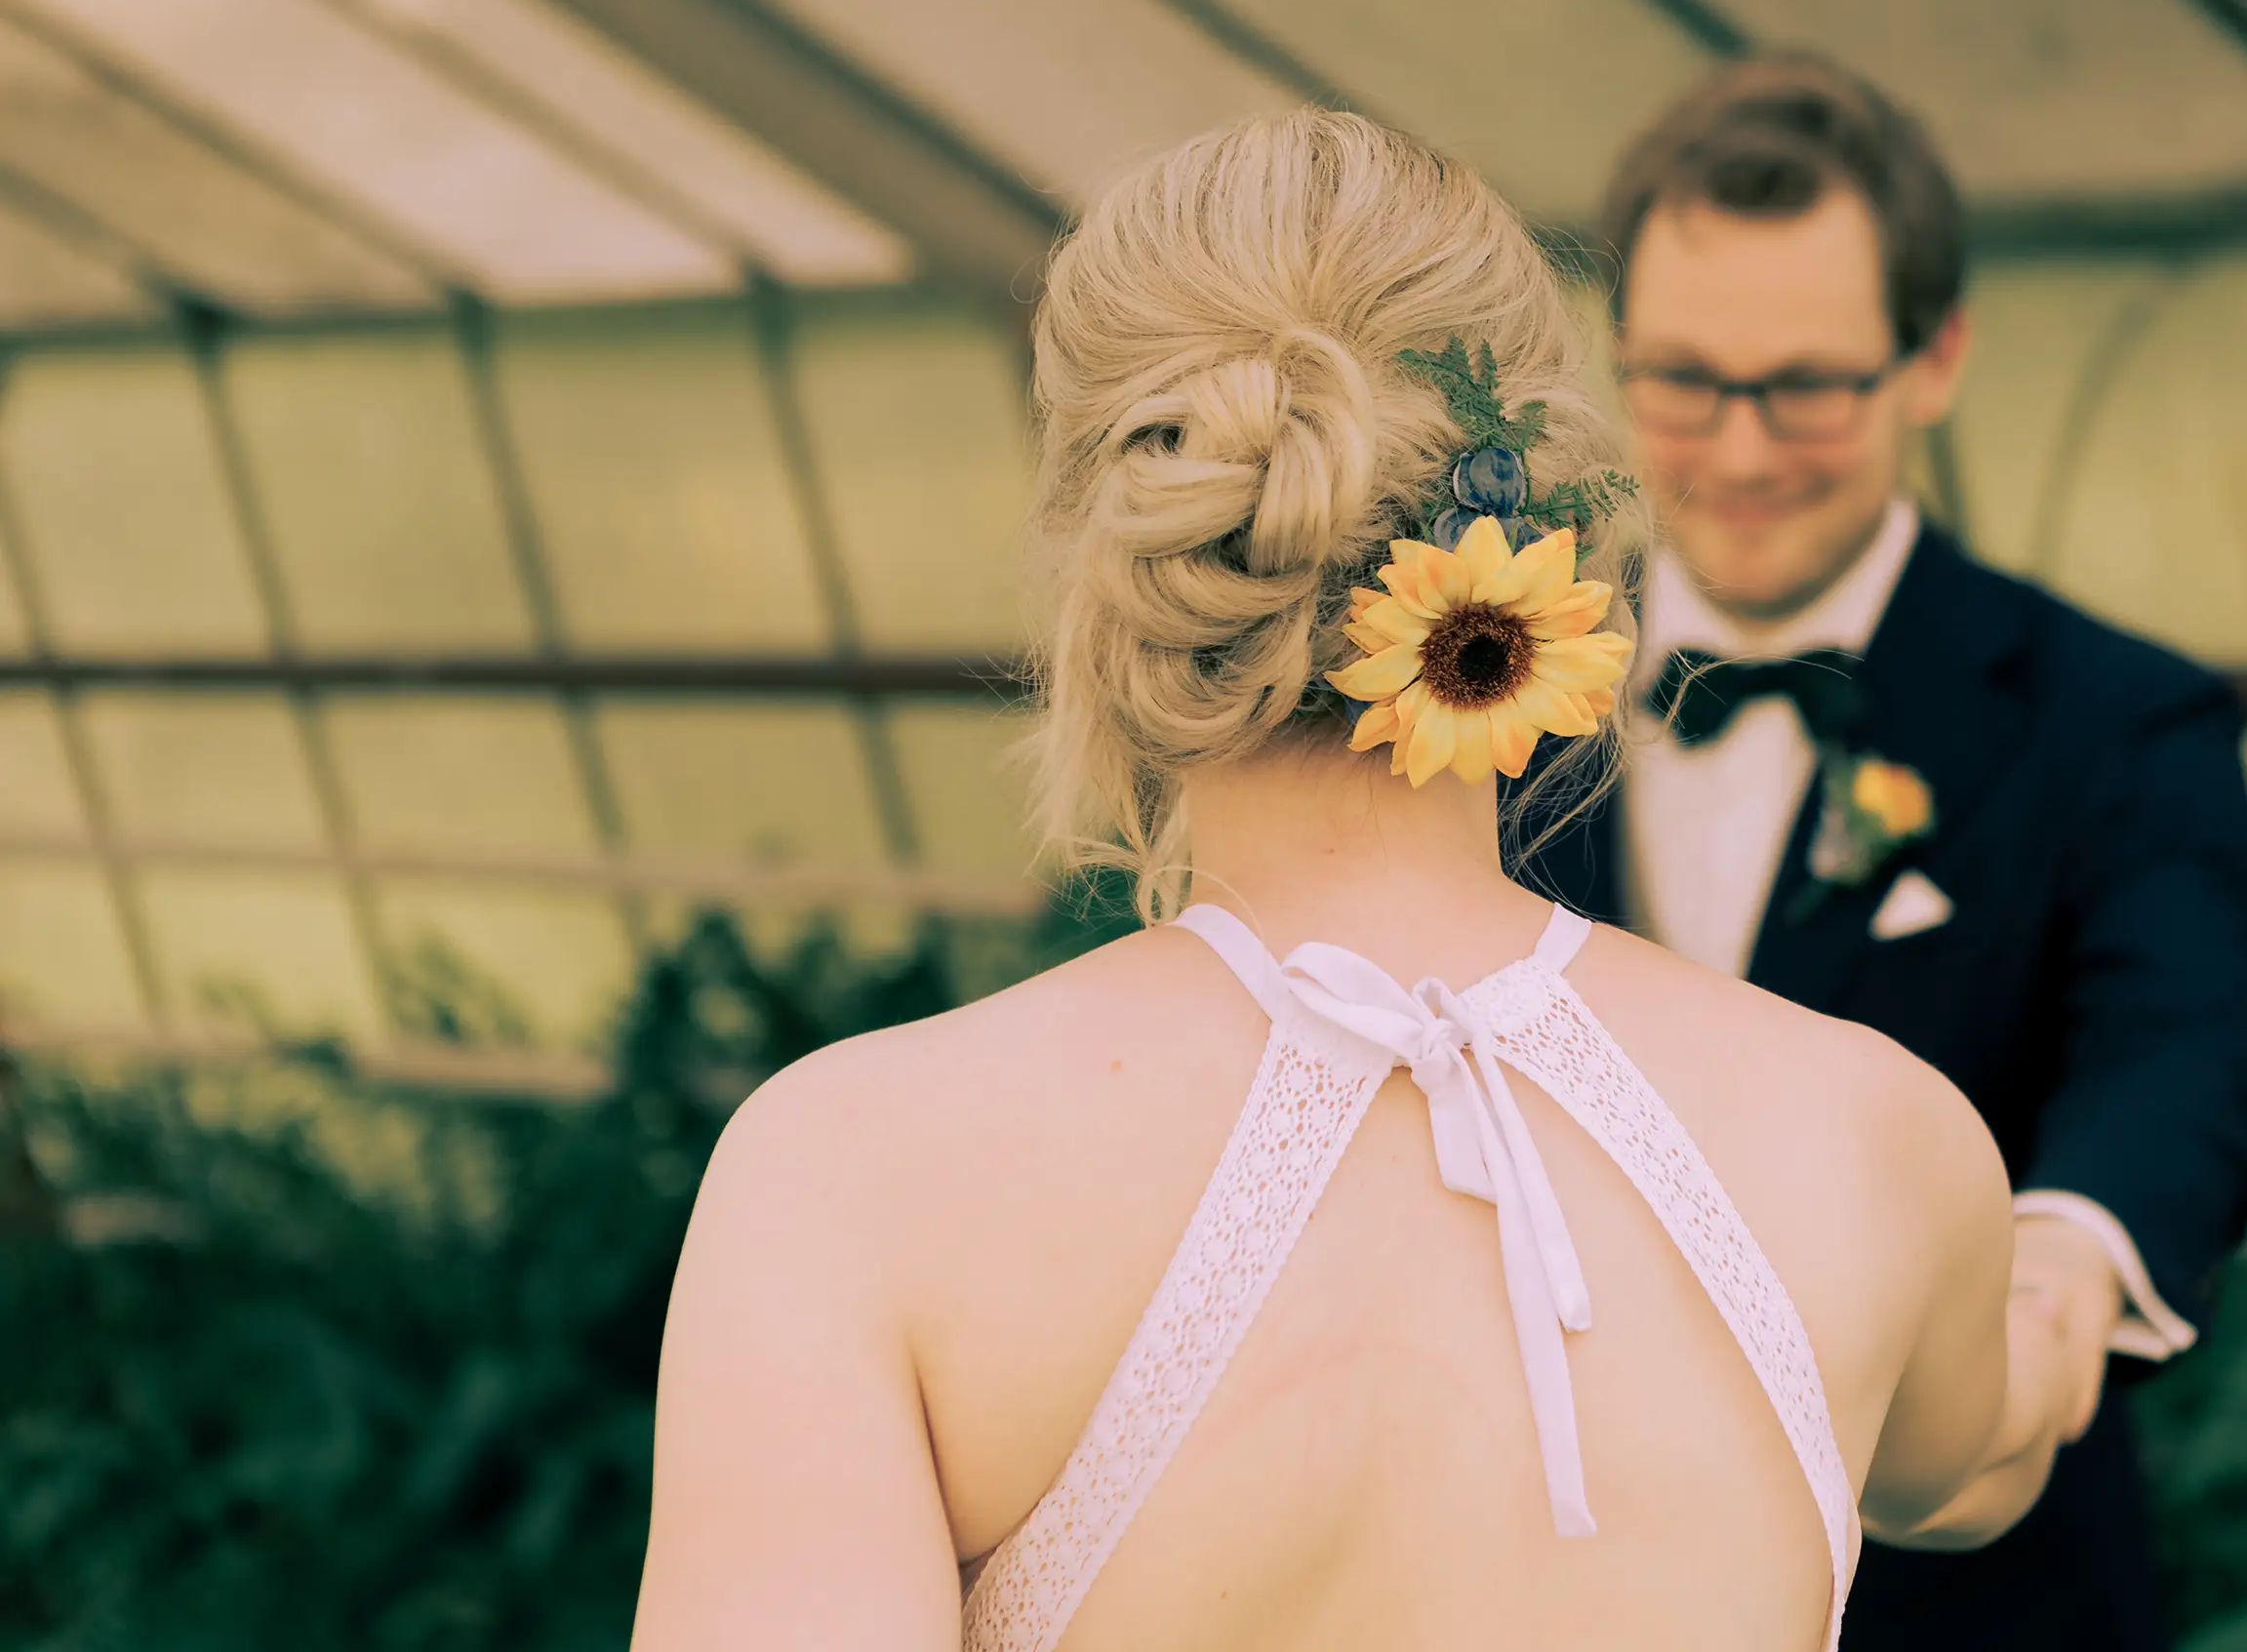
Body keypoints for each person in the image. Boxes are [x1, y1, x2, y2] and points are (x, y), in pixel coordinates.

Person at [632, 108, 2085, 1652]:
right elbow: (1975, 1461)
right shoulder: (1874, 1135)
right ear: (1560, 527)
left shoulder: (852, 1181)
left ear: (1104, 549)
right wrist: (2060, 1291)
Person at [1511, 56, 2247, 1651]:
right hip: (1532, 1562)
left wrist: (2057, 1276)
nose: (1734, 451)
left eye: (1805, 386)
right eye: (1678, 380)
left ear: (1936, 359)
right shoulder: (1482, 670)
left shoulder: (2120, 720)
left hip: (1960, 1586)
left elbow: (2185, 1063)